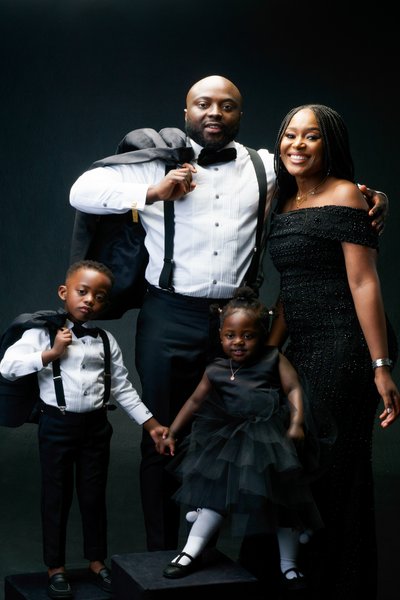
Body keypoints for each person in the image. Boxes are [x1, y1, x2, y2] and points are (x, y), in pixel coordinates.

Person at [69, 75, 389, 553]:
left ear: (241, 115)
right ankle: (160, 553)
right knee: (162, 434)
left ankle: (210, 554)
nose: (214, 112)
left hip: (239, 324)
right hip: (168, 316)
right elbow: (82, 190)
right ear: (187, 113)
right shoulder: (155, 165)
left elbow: (317, 190)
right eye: (203, 103)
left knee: (231, 437)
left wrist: (371, 195)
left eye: (227, 105)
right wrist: (152, 193)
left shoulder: (264, 167)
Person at [266, 104, 400, 599]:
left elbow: (364, 282)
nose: (297, 145)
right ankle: (292, 574)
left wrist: (379, 366)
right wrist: (266, 354)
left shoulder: (346, 194)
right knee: (294, 461)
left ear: (330, 145)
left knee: (334, 465)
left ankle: (338, 582)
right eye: (290, 135)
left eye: (311, 137)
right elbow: (290, 288)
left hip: (344, 343)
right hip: (298, 346)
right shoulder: (280, 200)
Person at [0, 260, 169, 600]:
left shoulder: (105, 340)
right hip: (56, 426)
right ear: (64, 293)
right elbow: (8, 368)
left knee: (93, 497)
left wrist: (152, 425)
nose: (90, 300)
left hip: (96, 429)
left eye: (99, 296)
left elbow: (122, 388)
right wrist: (50, 354)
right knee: (56, 497)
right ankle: (55, 567)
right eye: (82, 291)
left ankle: (95, 560)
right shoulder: (39, 333)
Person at [156, 286, 324, 592]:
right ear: (220, 336)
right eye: (231, 335)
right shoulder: (216, 369)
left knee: (282, 503)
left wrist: (297, 421)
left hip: (269, 439)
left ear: (261, 335)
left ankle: (288, 564)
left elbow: (294, 389)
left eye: (248, 336)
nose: (239, 342)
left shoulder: (273, 357)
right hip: (229, 440)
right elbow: (194, 402)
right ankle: (189, 551)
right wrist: (172, 431)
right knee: (215, 498)